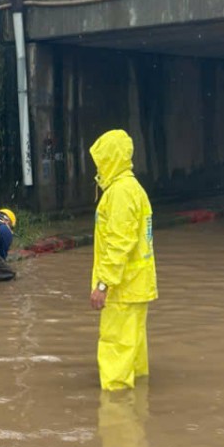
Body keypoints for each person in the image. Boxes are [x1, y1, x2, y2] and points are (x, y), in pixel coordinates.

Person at [89, 129, 157, 390]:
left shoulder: (119, 193)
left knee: (116, 349)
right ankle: (138, 404)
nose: (97, 167)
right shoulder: (133, 189)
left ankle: (116, 414)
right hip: (137, 286)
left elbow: (119, 243)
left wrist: (103, 284)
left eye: (100, 160)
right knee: (134, 350)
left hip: (122, 289)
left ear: (111, 159)